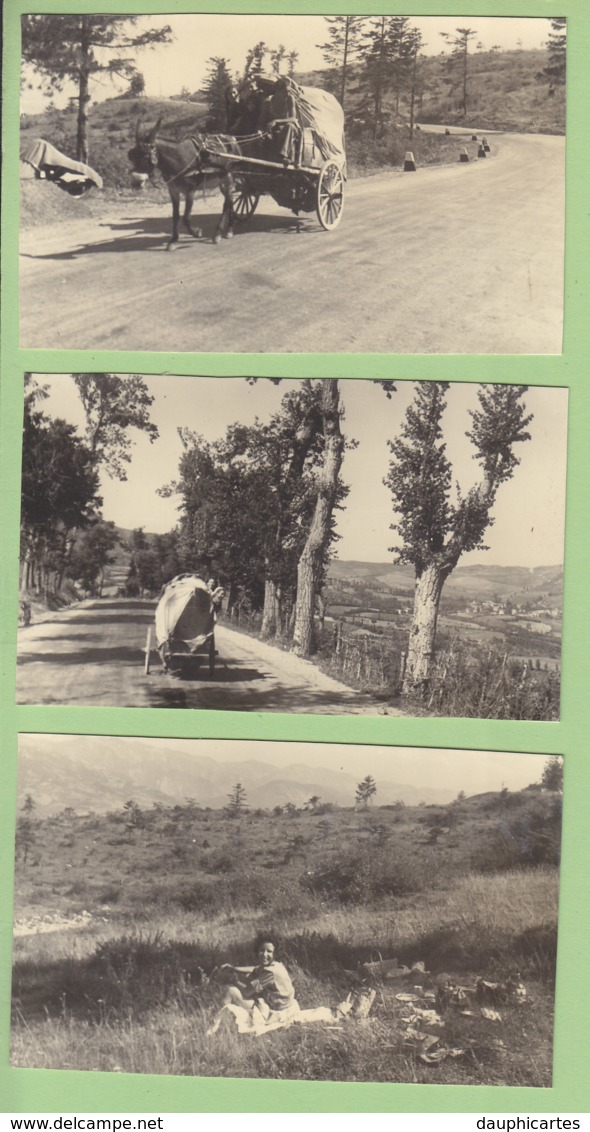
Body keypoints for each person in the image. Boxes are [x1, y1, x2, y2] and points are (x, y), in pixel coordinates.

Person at [208, 935, 298, 1034]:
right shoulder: (277, 965)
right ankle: (215, 1023)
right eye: (261, 950)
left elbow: (247, 992)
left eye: (269, 951)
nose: (264, 954)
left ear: (276, 953)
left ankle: (211, 1027)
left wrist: (232, 980)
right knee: (248, 981)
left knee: (231, 992)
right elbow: (255, 968)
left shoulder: (270, 973)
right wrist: (233, 968)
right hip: (284, 1006)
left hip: (277, 1014)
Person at [257, 77, 300, 163]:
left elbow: (293, 118)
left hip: (288, 130)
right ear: (277, 91)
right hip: (273, 131)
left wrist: (276, 121)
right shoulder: (268, 102)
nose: (287, 94)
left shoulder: (290, 99)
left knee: (289, 126)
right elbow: (261, 121)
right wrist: (259, 131)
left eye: (288, 91)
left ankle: (282, 156)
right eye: (285, 91)